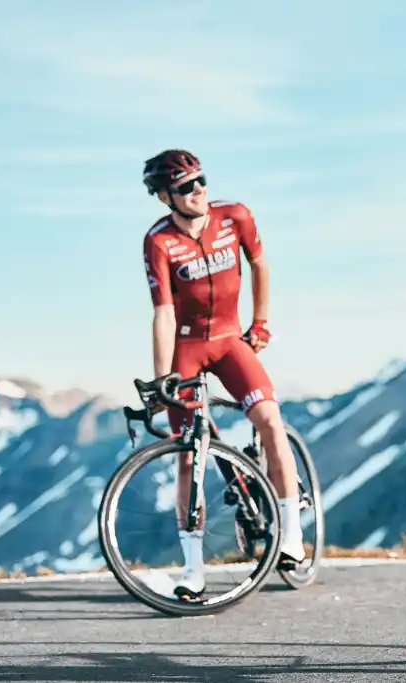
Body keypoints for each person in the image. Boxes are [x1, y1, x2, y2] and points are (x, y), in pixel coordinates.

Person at [140, 149, 305, 599]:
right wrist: (161, 379)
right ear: (164, 197)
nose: (199, 191)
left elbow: (260, 265)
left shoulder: (235, 217)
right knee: (187, 457)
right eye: (186, 187)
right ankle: (192, 570)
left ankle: (292, 535)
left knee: (270, 422)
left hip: (232, 340)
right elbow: (163, 314)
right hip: (188, 347)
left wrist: (262, 321)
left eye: (201, 180)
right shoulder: (158, 241)